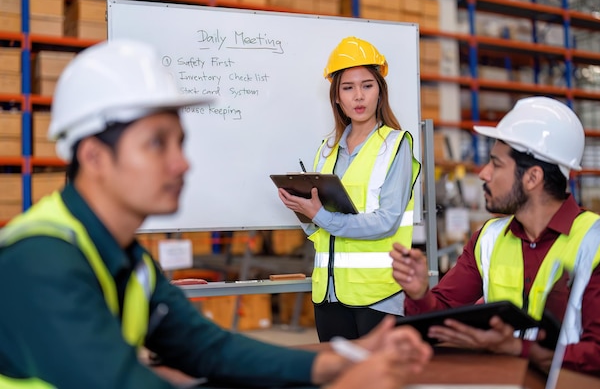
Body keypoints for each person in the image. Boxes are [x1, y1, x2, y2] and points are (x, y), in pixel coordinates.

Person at [0, 40, 433, 389]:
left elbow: (211, 350)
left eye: (180, 142)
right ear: (94, 156)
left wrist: (339, 361)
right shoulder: (42, 261)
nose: (182, 163)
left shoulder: (129, 261)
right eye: (157, 144)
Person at [390, 96, 600, 382]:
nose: (483, 173)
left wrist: (518, 349)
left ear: (532, 177)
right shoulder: (488, 239)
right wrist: (419, 294)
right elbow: (443, 317)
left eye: (496, 164)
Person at [277, 36, 421, 342]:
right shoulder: (326, 150)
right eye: (348, 87)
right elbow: (319, 227)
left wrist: (321, 216)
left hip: (378, 295)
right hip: (328, 295)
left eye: (367, 85)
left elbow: (387, 221)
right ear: (337, 97)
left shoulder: (395, 145)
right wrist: (303, 209)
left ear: (380, 92)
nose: (359, 96)